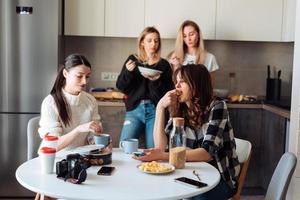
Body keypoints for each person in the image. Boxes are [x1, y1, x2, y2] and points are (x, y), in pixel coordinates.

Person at [134, 64, 240, 200]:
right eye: (176, 82)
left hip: (220, 178)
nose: (176, 86)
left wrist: (164, 155)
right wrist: (160, 107)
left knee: (195, 198)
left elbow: (206, 153)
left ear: (196, 84)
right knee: (157, 190)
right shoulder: (180, 107)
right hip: (190, 171)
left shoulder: (217, 106)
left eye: (182, 82)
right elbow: (161, 146)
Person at [116, 26, 173, 148]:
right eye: (149, 40)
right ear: (142, 42)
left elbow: (167, 94)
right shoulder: (133, 60)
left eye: (156, 40)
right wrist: (128, 72)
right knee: (124, 148)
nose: (153, 44)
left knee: (155, 150)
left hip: (156, 111)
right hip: (134, 110)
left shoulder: (164, 65)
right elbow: (120, 86)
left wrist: (156, 81)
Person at [39, 54, 104, 151]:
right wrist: (78, 130)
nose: (84, 82)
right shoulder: (50, 102)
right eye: (79, 76)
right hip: (55, 159)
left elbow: (92, 137)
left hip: (82, 158)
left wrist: (100, 142)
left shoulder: (90, 100)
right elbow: (52, 146)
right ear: (65, 74)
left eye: (87, 76)